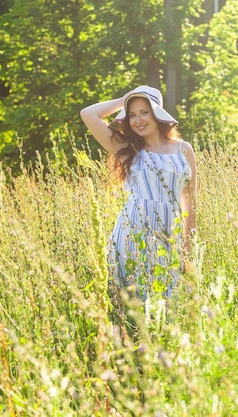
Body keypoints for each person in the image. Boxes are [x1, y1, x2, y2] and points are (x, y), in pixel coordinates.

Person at [80, 86, 197, 300]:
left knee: (170, 306)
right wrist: (124, 99)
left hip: (170, 236)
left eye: (144, 112)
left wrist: (188, 249)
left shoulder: (184, 150)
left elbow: (190, 203)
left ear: (157, 114)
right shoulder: (129, 150)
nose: (137, 120)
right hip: (133, 236)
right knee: (134, 305)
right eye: (131, 115)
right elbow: (88, 114)